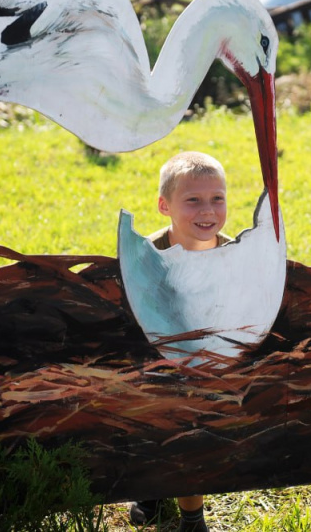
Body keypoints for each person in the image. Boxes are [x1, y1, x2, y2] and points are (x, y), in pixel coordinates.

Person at [129, 151, 226, 531]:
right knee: (152, 416)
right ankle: (154, 490)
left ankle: (191, 513)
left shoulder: (234, 254)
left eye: (217, 198)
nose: (208, 210)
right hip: (152, 359)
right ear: (164, 206)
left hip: (211, 362)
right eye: (193, 200)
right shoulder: (145, 255)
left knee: (192, 419)